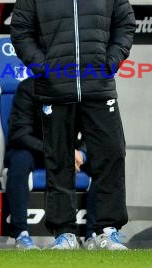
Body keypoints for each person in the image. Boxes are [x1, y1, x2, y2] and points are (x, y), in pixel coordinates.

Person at [10, 0, 136, 250]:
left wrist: (111, 61)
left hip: (99, 87)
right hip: (55, 89)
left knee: (112, 155)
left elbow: (125, 24)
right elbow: (20, 32)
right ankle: (64, 233)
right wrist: (44, 67)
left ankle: (107, 231)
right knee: (59, 159)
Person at [5, 77, 92, 249]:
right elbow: (20, 134)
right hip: (33, 150)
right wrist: (59, 152)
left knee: (103, 160)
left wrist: (81, 154)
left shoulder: (81, 89)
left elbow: (93, 130)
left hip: (68, 153)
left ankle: (94, 234)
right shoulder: (28, 88)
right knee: (19, 159)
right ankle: (21, 234)